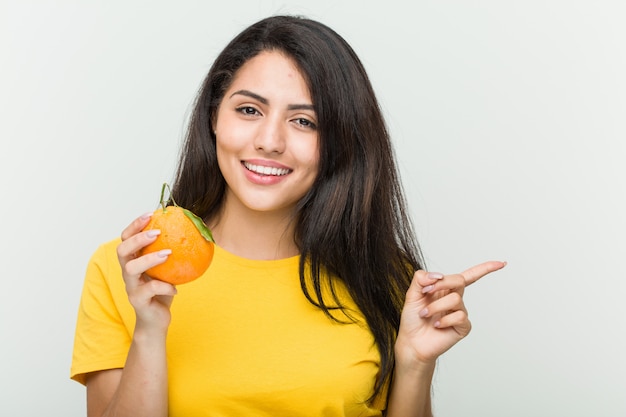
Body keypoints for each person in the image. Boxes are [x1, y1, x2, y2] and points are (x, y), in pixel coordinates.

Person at [70, 15, 505, 417]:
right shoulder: (129, 269)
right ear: (213, 118)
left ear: (341, 142)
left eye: (304, 122)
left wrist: (414, 364)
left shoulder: (388, 278)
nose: (270, 141)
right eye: (248, 110)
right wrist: (149, 331)